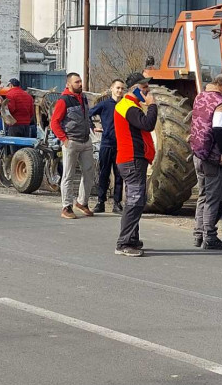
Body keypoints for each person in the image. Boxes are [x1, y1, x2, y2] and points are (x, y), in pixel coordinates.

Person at [114, 72, 158, 257]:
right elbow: (147, 124)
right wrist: (152, 106)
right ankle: (124, 243)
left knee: (136, 200)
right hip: (131, 159)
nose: (147, 91)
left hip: (132, 159)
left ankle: (131, 238)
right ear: (134, 89)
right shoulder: (127, 106)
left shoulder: (129, 105)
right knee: (135, 201)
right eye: (143, 88)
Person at [191, 74, 222, 250]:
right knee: (213, 197)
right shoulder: (220, 103)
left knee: (202, 195)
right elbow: (219, 129)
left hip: (198, 153)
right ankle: (210, 236)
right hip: (212, 156)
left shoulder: (200, 97)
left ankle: (198, 234)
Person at [50, 73, 96, 219]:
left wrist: (92, 127)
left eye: (80, 81)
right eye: (77, 82)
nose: (80, 84)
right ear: (68, 84)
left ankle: (82, 202)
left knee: (89, 172)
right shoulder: (63, 101)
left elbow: (86, 116)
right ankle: (66, 207)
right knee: (68, 175)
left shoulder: (83, 98)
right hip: (72, 141)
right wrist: (64, 139)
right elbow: (54, 122)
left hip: (85, 140)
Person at [89, 79, 126, 213]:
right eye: (117, 88)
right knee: (103, 173)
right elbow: (88, 114)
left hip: (121, 145)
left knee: (119, 174)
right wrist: (93, 127)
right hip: (106, 144)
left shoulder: (125, 105)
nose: (119, 91)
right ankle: (101, 202)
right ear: (112, 89)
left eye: (122, 88)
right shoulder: (105, 105)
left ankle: (117, 203)